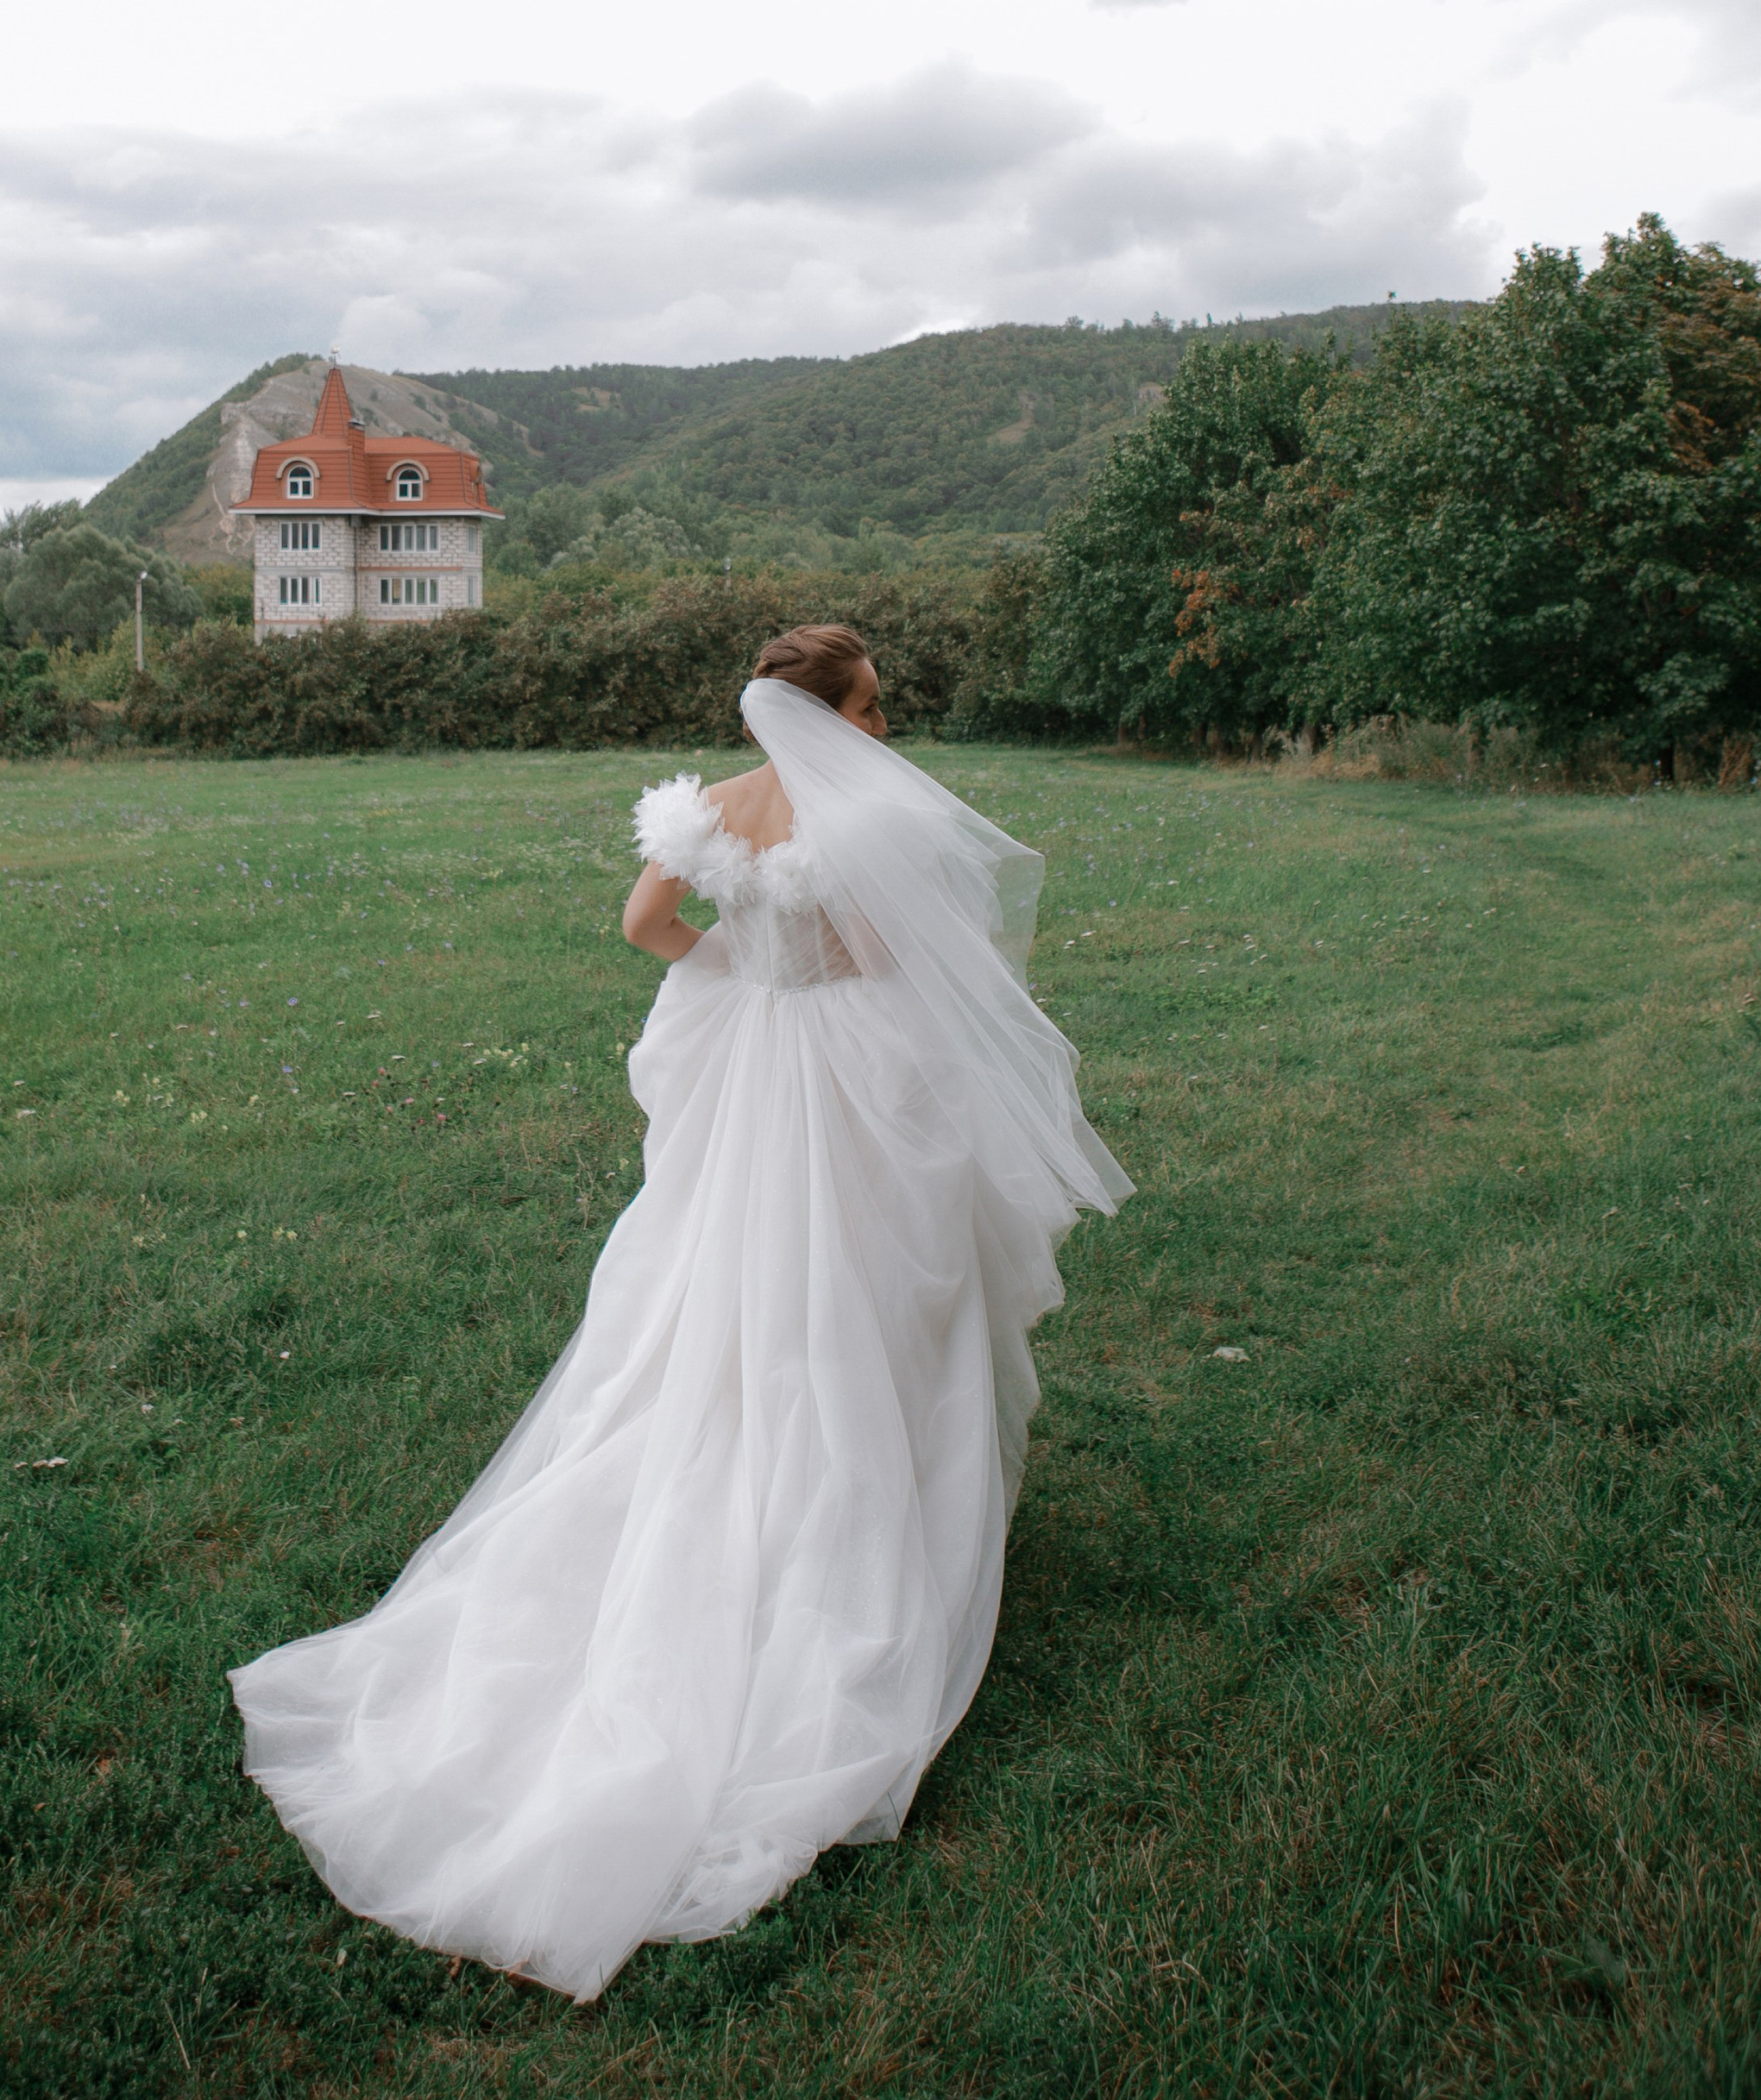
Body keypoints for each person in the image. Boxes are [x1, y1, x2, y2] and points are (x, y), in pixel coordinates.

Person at [229, 623, 1131, 2002]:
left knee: (713, 1288)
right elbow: (886, 952)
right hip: (844, 1071)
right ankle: (859, 1516)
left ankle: (754, 1462)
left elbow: (646, 928)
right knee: (869, 1289)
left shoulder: (714, 805)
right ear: (822, 715)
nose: (882, 730)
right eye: (869, 708)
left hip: (753, 1058)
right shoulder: (872, 814)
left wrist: (743, 965)